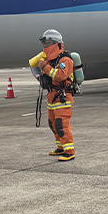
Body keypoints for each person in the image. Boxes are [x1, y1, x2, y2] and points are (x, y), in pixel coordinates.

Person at [37, 29, 76, 161]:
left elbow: (60, 75)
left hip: (62, 97)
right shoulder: (50, 60)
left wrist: (45, 67)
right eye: (44, 44)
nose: (45, 47)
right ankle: (60, 147)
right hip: (52, 97)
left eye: (47, 44)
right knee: (53, 124)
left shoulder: (65, 59)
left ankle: (69, 151)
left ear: (56, 44)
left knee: (62, 124)